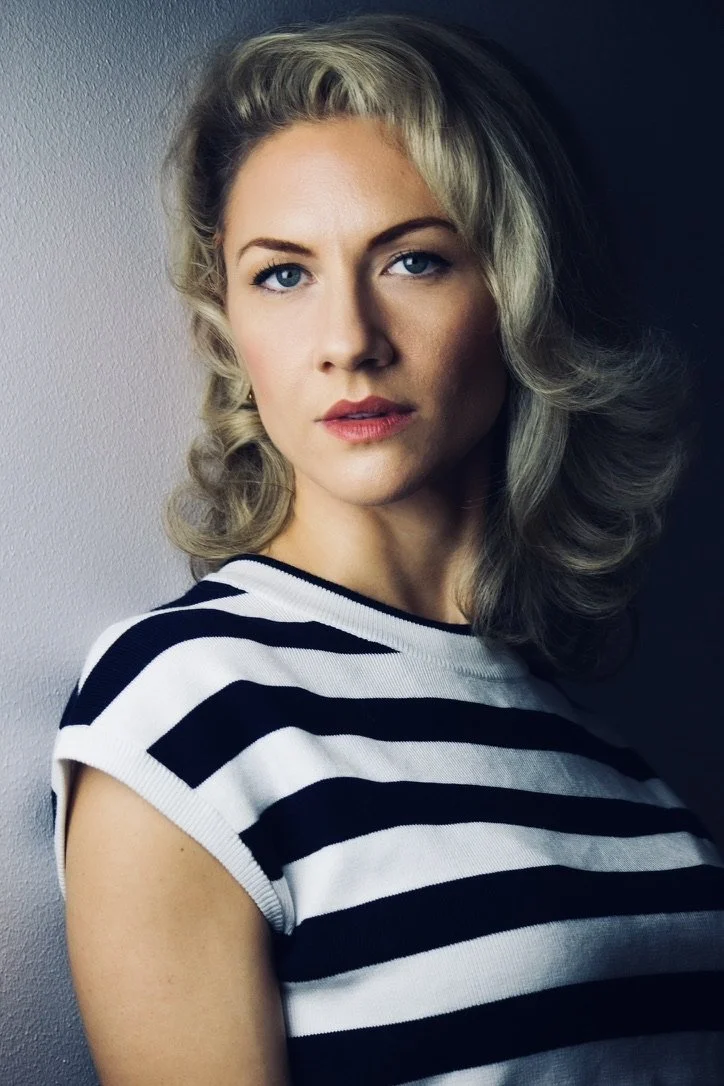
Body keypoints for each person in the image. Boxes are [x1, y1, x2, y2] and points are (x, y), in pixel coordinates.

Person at [52, 12, 724, 1084]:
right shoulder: (187, 705)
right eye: (283, 274)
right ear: (228, 321)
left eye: (413, 259)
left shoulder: (601, 746)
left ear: (517, 290)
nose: (348, 340)